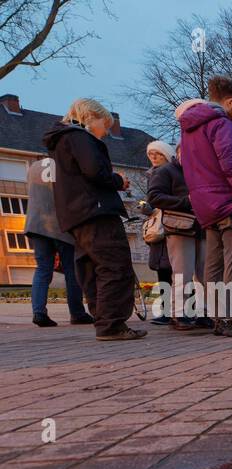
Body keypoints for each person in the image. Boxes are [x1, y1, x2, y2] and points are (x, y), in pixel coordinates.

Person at [42, 98, 146, 341]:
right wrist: (118, 181)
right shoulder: (79, 137)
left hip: (76, 215)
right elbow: (94, 171)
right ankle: (112, 324)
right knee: (114, 265)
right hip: (96, 210)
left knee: (90, 268)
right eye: (105, 125)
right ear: (91, 117)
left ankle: (103, 319)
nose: (106, 132)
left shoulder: (59, 143)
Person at [180, 75, 232, 335]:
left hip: (207, 206)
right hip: (231, 204)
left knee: (212, 266)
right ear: (229, 102)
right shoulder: (222, 125)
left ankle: (219, 318)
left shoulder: (189, 131)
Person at [25, 154, 93, 328]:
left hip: (37, 223)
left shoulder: (33, 167)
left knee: (42, 269)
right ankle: (77, 313)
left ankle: (39, 312)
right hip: (61, 225)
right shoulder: (66, 164)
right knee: (72, 269)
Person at [145, 140, 203, 330]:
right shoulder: (166, 171)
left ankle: (202, 313)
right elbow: (154, 197)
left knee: (204, 274)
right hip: (179, 227)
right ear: (177, 153)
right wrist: (186, 201)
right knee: (182, 273)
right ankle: (179, 314)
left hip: (202, 227)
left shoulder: (200, 171)